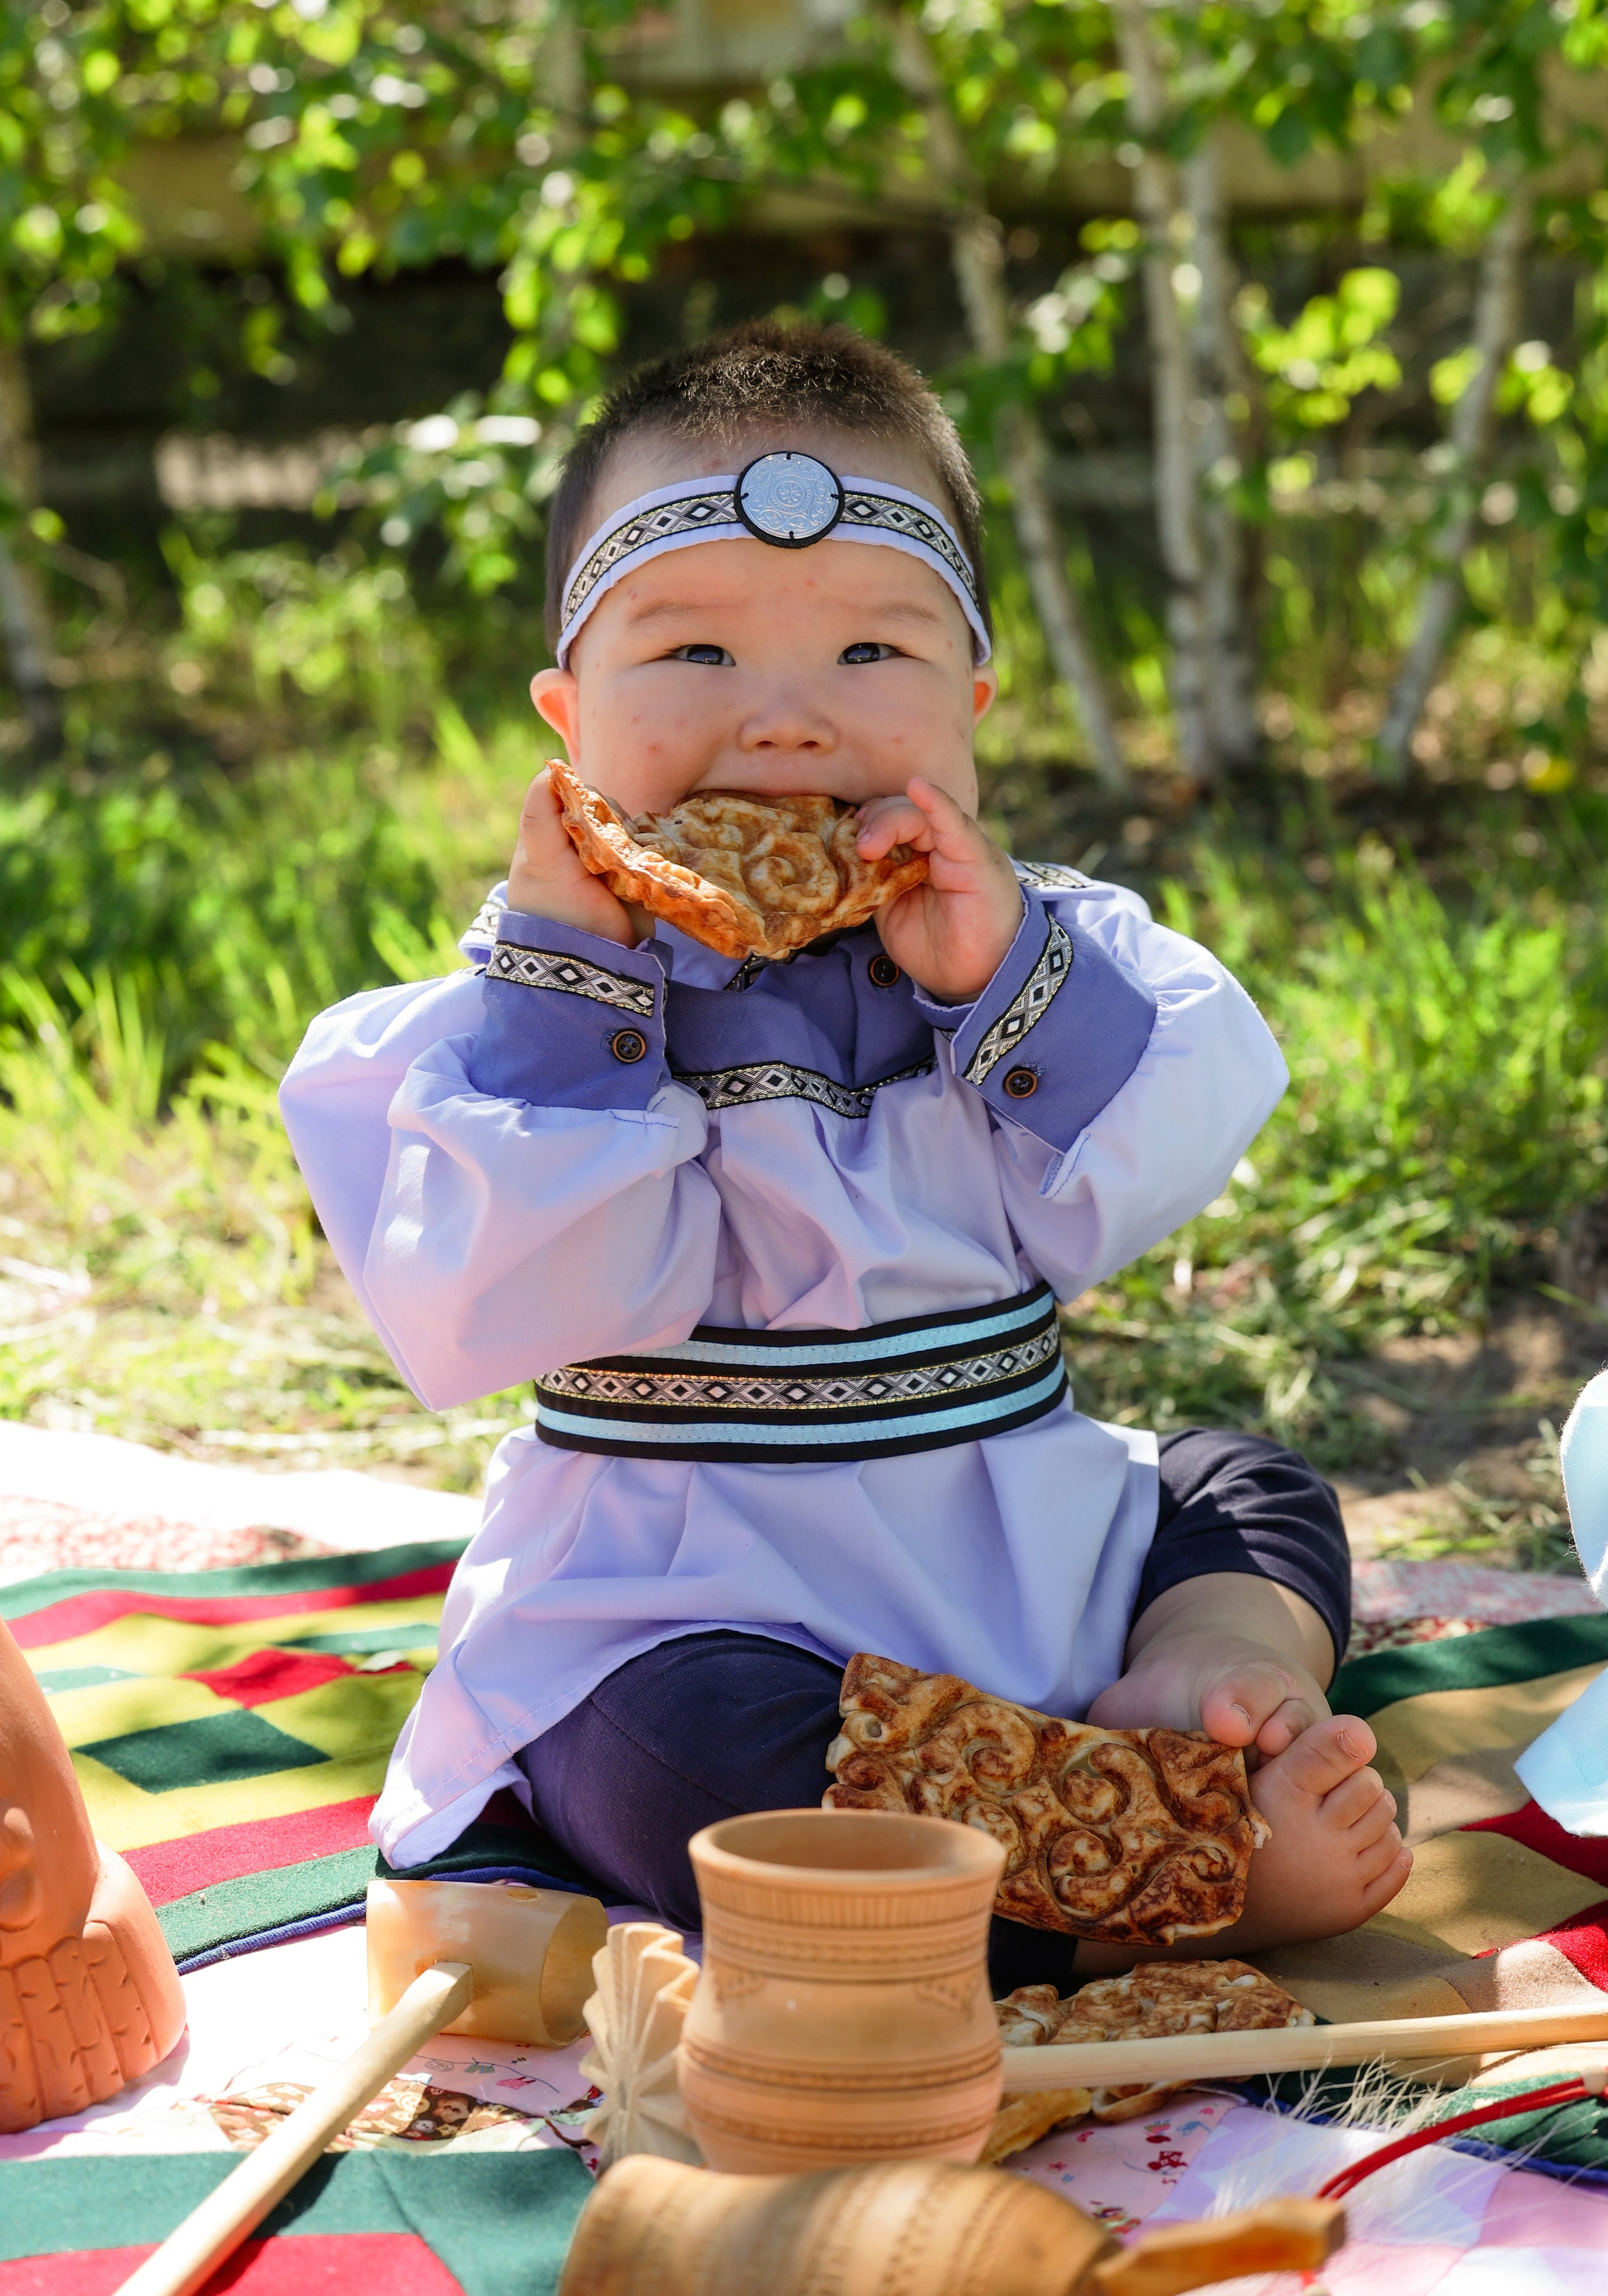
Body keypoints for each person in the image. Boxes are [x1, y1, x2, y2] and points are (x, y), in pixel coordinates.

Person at [281, 318, 1411, 1988]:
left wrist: (1000, 980)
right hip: (692, 1595)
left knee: (1240, 1483)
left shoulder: (1040, 954)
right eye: (695, 659)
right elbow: (496, 1312)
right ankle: (1156, 1867)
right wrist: (585, 995)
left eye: (871, 661)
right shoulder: (509, 1023)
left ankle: (1192, 1671)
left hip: (1028, 1543)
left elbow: (1138, 1176)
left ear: (972, 705)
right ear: (564, 718)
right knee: (667, 1749)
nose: (788, 728)